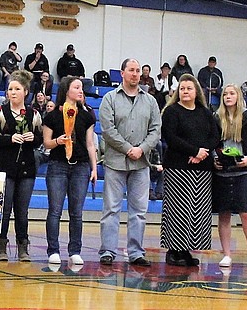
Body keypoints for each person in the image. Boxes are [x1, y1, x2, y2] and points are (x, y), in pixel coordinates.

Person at [97, 59, 161, 266]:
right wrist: (127, 149)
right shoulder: (109, 98)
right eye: (131, 70)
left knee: (139, 211)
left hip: (141, 163)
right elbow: (108, 130)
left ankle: (136, 252)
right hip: (115, 162)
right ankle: (107, 251)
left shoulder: (150, 101)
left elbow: (155, 131)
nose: (135, 74)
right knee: (111, 209)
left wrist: (141, 149)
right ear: (122, 73)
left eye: (138, 71)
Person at [159, 74, 218, 266]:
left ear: (196, 92)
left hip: (202, 170)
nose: (185, 91)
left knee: (195, 212)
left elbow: (215, 136)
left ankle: (186, 251)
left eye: (189, 88)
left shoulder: (205, 112)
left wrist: (202, 153)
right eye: (182, 88)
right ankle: (173, 251)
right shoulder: (171, 111)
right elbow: (170, 137)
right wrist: (193, 151)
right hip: (178, 168)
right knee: (178, 211)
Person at [41, 76, 98, 265]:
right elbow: (46, 142)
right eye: (77, 87)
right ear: (67, 90)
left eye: (81, 88)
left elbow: (90, 144)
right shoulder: (52, 116)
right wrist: (58, 141)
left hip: (80, 166)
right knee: (55, 210)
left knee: (76, 212)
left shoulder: (87, 115)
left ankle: (75, 250)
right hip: (58, 165)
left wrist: (94, 168)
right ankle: (53, 250)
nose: (81, 91)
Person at [0, 70, 42, 261]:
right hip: (4, 166)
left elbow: (40, 138)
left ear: (26, 91)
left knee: (22, 210)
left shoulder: (34, 114)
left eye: (17, 89)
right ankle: (0, 244)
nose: (13, 92)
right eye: (10, 89)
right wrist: (9, 139)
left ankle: (23, 245)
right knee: (4, 208)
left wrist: (34, 138)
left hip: (27, 167)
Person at [211, 84, 247, 269]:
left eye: (232, 93)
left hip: (243, 172)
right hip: (222, 173)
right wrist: (215, 158)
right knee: (224, 215)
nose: (228, 96)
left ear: (239, 96)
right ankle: (226, 254)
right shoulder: (216, 118)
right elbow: (211, 144)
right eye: (225, 93)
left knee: (246, 214)